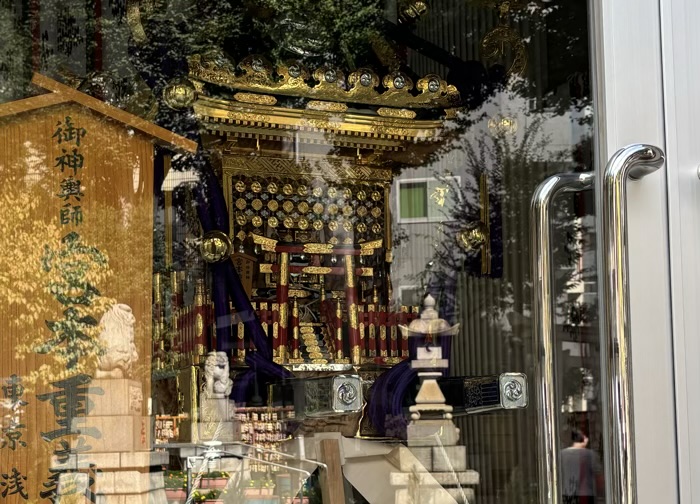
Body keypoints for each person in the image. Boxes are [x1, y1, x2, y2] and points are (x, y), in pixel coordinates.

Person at [561, 429, 604, 503]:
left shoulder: (561, 454)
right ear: (584, 439)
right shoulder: (590, 455)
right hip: (586, 494)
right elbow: (599, 477)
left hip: (567, 493)